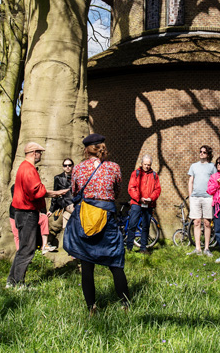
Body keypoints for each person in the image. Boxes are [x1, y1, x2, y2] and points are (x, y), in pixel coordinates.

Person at [63, 134, 129, 314]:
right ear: (102, 148)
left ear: (86, 149)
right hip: (107, 216)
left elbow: (75, 191)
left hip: (85, 217)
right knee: (115, 261)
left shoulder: (78, 169)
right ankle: (125, 305)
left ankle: (91, 307)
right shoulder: (113, 167)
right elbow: (117, 191)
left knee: (86, 264)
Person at [6, 142, 68, 289]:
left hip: (21, 213)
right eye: (40, 152)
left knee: (23, 248)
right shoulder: (28, 169)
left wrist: (55, 193)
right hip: (27, 213)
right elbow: (37, 191)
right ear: (34, 153)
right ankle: (19, 283)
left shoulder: (23, 167)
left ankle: (11, 281)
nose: (41, 155)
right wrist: (55, 193)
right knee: (28, 249)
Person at [126, 155, 161, 254]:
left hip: (149, 205)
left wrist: (151, 198)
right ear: (141, 164)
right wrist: (139, 198)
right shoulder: (136, 174)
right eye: (145, 164)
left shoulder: (154, 175)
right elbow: (131, 188)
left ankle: (143, 248)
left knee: (146, 226)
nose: (147, 166)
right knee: (132, 225)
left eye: (149, 165)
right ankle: (129, 248)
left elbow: (157, 189)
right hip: (137, 203)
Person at [187, 145, 217, 256]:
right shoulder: (193, 166)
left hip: (208, 197)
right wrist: (190, 197)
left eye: (204, 152)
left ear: (208, 154)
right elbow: (190, 181)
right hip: (195, 198)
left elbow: (215, 183)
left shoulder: (212, 167)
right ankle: (198, 248)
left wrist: (213, 196)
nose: (201, 153)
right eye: (200, 151)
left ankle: (207, 248)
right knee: (196, 222)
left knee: (207, 223)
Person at [47, 158, 75, 248]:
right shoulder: (58, 178)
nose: (67, 167)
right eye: (65, 165)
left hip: (74, 201)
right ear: (63, 167)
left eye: (69, 165)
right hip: (64, 201)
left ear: (72, 166)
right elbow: (55, 194)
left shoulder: (76, 177)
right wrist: (51, 209)